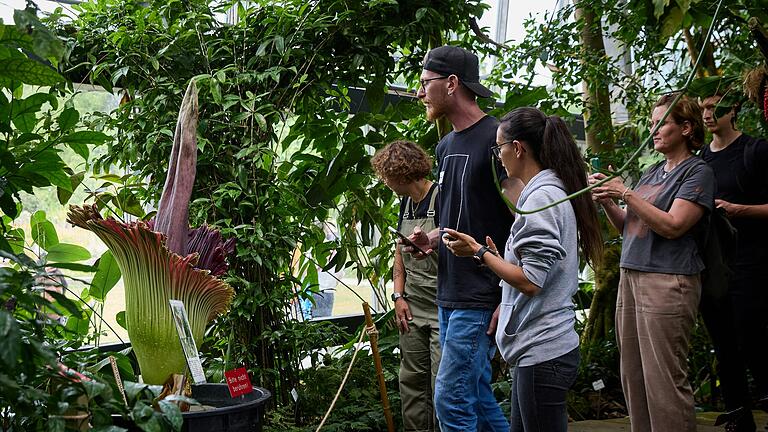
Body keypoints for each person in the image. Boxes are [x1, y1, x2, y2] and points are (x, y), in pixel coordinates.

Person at [442, 107, 602, 432]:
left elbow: (531, 282)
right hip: (541, 350)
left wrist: (480, 251)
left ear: (517, 148)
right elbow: (536, 267)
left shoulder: (540, 199)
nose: (497, 156)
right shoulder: (549, 190)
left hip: (543, 351)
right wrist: (502, 257)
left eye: (498, 148)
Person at [408, 45, 522, 432]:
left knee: (450, 398)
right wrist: (432, 239)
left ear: (452, 83)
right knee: (475, 390)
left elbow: (523, 220)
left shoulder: (498, 141)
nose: (420, 92)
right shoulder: (445, 146)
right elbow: (457, 220)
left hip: (482, 293)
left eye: (425, 83)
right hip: (449, 290)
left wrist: (507, 295)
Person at [589, 93, 715, 432]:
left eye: (661, 123)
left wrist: (625, 192)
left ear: (687, 128)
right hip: (631, 276)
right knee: (634, 374)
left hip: (668, 280)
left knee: (664, 379)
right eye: (651, 123)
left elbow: (674, 225)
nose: (653, 130)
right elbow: (630, 226)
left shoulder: (698, 171)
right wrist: (607, 199)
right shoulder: (652, 172)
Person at [699, 92, 768, 432]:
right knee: (723, 341)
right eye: (703, 109)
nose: (708, 115)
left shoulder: (755, 151)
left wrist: (741, 210)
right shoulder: (700, 159)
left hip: (754, 261)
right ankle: (739, 415)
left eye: (714, 108)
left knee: (750, 337)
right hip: (714, 265)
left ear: (734, 110)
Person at [371, 140, 441, 432]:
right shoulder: (405, 203)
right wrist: (398, 295)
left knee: (443, 382)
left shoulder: (442, 196)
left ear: (401, 174)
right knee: (411, 380)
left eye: (387, 176)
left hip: (444, 306)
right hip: (412, 305)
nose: (385, 182)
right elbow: (398, 252)